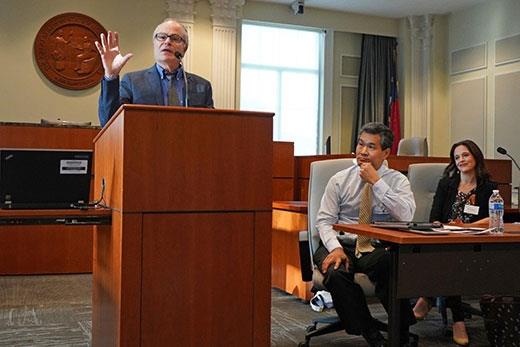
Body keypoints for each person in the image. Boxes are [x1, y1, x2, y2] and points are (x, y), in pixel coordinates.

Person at [314, 122, 416, 347]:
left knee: (391, 263)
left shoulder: (398, 181)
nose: (362, 151)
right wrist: (336, 248)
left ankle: (401, 330)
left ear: (386, 152)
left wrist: (377, 183)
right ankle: (371, 333)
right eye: (360, 144)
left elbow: (406, 215)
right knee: (335, 272)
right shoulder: (340, 179)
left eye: (371, 147)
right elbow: (324, 220)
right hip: (340, 243)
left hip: (375, 247)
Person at [413, 139, 497, 346]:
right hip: (445, 239)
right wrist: (441, 228)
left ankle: (429, 297)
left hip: (474, 241)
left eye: (465, 155)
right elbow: (435, 216)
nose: (461, 160)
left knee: (451, 260)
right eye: (457, 157)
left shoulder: (488, 187)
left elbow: (494, 218)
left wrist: (469, 227)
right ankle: (458, 321)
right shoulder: (446, 184)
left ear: (476, 157)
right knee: (449, 259)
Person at [95, 18, 214, 127]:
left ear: (184, 48)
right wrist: (110, 76)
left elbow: (211, 126)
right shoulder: (132, 82)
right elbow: (108, 121)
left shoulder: (202, 86)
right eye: (161, 37)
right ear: (154, 44)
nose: (167, 41)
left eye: (175, 38)